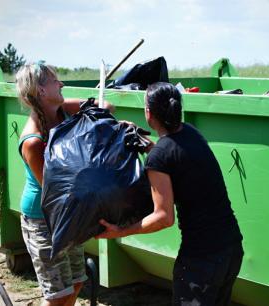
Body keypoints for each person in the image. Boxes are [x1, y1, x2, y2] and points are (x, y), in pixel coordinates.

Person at [97, 82, 244, 306]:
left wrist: (121, 231)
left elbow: (164, 217)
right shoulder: (191, 133)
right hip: (231, 248)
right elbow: (173, 156)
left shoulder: (160, 158)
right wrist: (146, 144)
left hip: (202, 257)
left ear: (149, 112)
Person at [15, 61, 113, 306]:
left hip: (68, 215)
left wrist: (99, 118)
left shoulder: (63, 110)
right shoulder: (33, 141)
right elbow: (56, 190)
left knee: (76, 283)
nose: (61, 83)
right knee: (58, 295)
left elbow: (104, 105)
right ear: (40, 91)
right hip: (44, 220)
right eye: (54, 80)